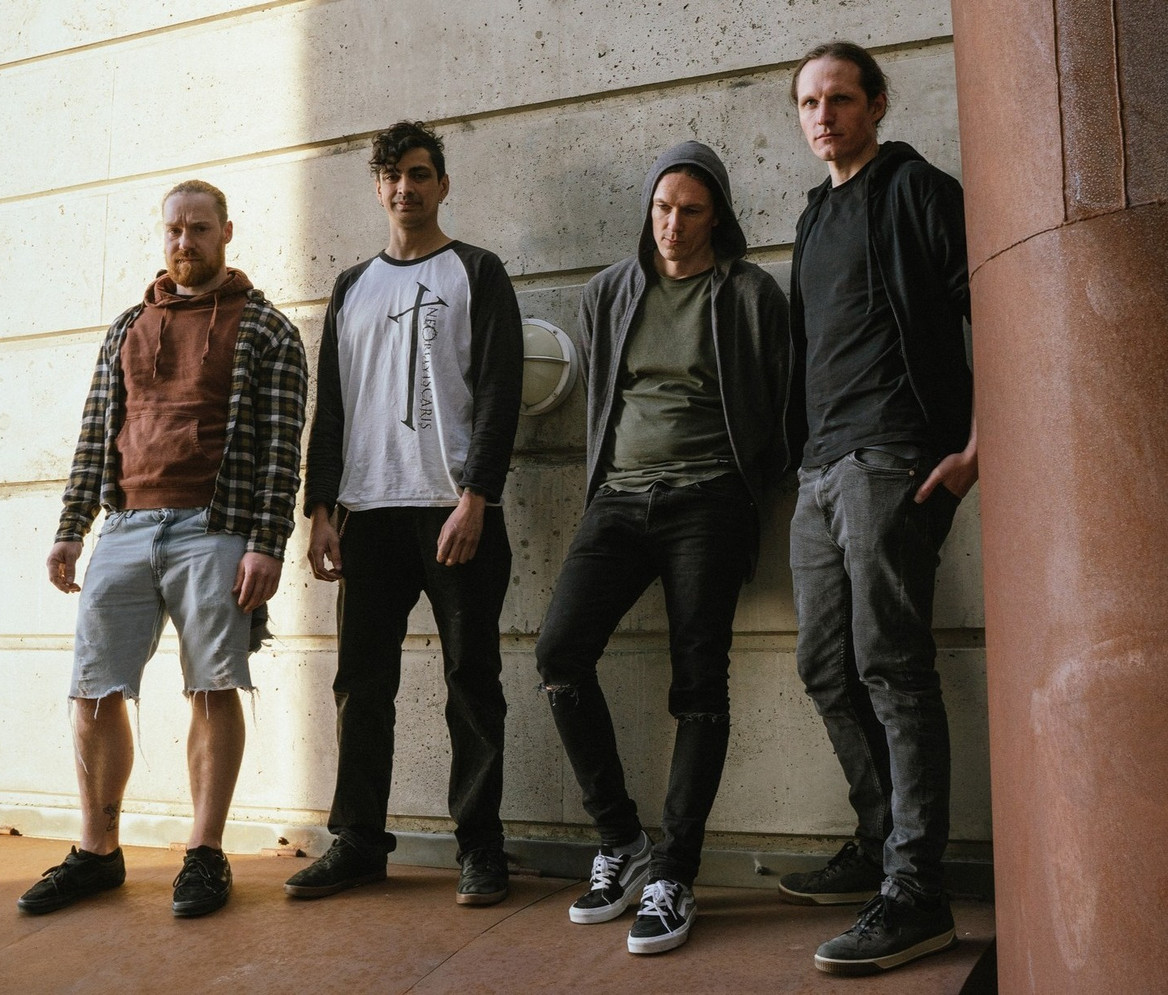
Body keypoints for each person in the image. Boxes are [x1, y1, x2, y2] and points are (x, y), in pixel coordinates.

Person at [16, 180, 308, 918]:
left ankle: (204, 853)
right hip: (124, 525)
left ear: (226, 232)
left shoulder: (267, 329)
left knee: (212, 684)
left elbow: (282, 451)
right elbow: (96, 433)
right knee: (94, 688)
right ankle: (97, 851)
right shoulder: (127, 326)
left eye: (200, 228)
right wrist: (71, 526)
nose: (185, 242)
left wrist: (266, 543)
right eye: (175, 229)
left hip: (216, 525)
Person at [536, 141, 789, 954]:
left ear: (717, 216)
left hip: (708, 500)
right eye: (661, 208)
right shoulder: (609, 291)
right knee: (560, 652)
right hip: (618, 499)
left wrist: (747, 489)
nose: (672, 225)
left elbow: (782, 401)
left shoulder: (748, 293)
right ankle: (622, 839)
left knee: (698, 680)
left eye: (690, 211)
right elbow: (606, 395)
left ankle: (675, 872)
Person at [284, 121, 523, 907]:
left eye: (420, 174)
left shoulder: (477, 271)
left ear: (442, 184)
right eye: (392, 176)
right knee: (361, 684)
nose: (405, 188)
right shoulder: (352, 286)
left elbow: (500, 392)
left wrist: (477, 496)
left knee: (471, 681)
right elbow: (332, 407)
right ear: (378, 187)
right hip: (369, 513)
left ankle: (480, 847)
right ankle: (357, 841)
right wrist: (321, 508)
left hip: (454, 510)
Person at [777, 41, 978, 975]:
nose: (824, 115)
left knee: (892, 667)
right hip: (820, 471)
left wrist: (979, 444)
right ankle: (878, 839)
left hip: (892, 457)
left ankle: (917, 890)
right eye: (809, 103)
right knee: (826, 665)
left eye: (841, 98)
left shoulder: (919, 192)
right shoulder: (813, 218)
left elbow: (995, 306)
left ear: (877, 102)